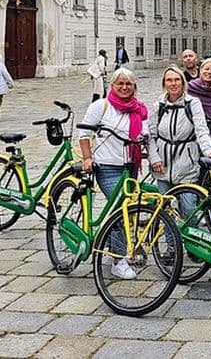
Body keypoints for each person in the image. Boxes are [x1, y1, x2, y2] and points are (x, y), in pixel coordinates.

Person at [78, 68, 149, 279]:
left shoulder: (139, 108)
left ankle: (113, 245)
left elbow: (146, 132)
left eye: (128, 84)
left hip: (131, 167)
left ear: (134, 87)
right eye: (120, 84)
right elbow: (84, 133)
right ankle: (118, 261)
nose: (124, 87)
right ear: (112, 85)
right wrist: (87, 158)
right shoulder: (101, 106)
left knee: (128, 210)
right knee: (120, 209)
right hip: (107, 167)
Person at [147, 66, 211, 212]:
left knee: (189, 208)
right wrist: (154, 158)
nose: (173, 84)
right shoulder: (158, 106)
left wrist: (208, 150)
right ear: (164, 83)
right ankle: (169, 229)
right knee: (164, 210)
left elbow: (201, 130)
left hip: (187, 164)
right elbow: (151, 135)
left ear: (183, 82)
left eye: (177, 80)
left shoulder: (192, 103)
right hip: (163, 165)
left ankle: (188, 228)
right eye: (169, 80)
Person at [187, 57, 211, 142]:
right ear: (200, 70)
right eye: (206, 69)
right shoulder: (189, 88)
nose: (209, 72)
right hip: (193, 131)